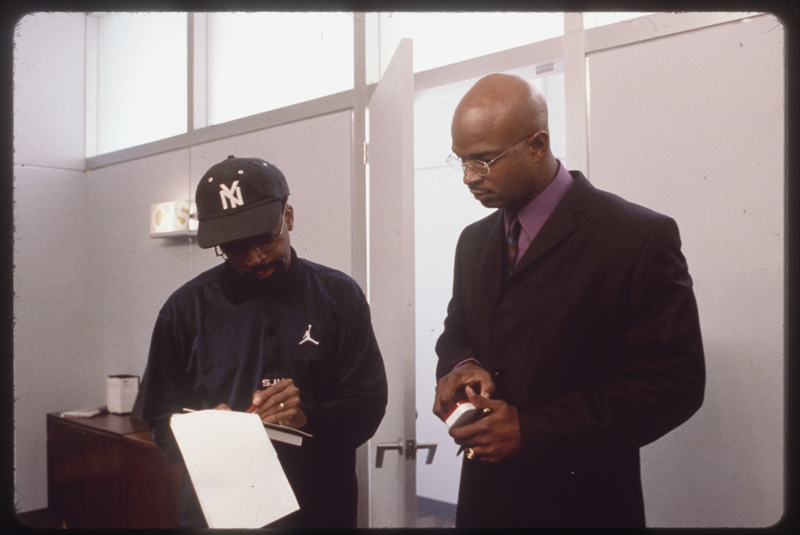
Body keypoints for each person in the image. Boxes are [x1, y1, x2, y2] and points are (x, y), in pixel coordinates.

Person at [432, 73, 705, 528]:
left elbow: (673, 384)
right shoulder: (474, 241)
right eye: (460, 161)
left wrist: (532, 430)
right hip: (485, 503)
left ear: (537, 145)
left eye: (483, 161)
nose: (468, 178)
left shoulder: (635, 237)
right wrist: (462, 364)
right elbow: (458, 329)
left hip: (584, 507)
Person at [141, 155, 388, 529]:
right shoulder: (184, 310)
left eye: (265, 238)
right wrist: (208, 436)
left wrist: (307, 417)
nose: (254, 258)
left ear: (287, 217)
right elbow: (160, 418)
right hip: (221, 517)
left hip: (321, 512)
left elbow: (369, 404)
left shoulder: (340, 297)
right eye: (234, 247)